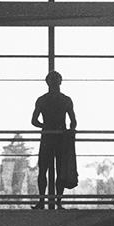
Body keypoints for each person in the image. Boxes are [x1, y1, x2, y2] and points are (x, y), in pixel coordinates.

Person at [31, 70, 77, 209]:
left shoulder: (43, 100)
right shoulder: (65, 100)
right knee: (55, 171)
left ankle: (45, 201)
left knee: (47, 170)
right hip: (59, 138)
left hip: (49, 137)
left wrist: (46, 126)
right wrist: (69, 131)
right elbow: (73, 121)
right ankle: (56, 201)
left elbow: (34, 121)